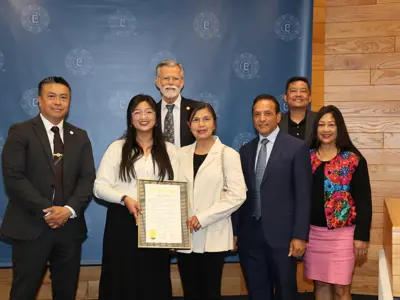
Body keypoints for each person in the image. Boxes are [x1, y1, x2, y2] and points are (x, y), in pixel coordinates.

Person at [0, 76, 96, 300]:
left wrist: (68, 210)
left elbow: (88, 178)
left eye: (64, 97)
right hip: (31, 227)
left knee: (66, 292)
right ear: (39, 101)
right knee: (23, 291)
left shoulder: (80, 136)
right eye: (51, 96)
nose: (58, 102)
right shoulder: (20, 132)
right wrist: (50, 210)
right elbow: (13, 177)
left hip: (69, 229)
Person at [93, 94, 178, 300]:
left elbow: (175, 190)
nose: (143, 117)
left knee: (154, 280)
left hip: (157, 225)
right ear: (130, 119)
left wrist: (175, 232)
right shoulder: (117, 148)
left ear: (156, 118)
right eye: (137, 112)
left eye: (149, 112)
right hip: (123, 222)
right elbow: (99, 187)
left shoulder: (170, 150)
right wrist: (125, 198)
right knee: (122, 280)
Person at [233, 94, 312, 300]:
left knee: (286, 291)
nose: (262, 119)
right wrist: (235, 232)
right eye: (257, 114)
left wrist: (300, 236)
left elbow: (304, 196)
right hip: (250, 236)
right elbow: (239, 196)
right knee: (257, 292)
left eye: (267, 113)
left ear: (278, 117)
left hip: (283, 238)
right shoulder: (245, 151)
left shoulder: (297, 147)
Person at [176, 102, 246, 300]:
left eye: (206, 119)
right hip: (185, 236)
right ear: (189, 125)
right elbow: (172, 193)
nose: (201, 124)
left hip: (213, 234)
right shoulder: (180, 155)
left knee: (210, 292)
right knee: (190, 292)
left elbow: (238, 195)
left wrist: (203, 217)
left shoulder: (228, 155)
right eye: (196, 120)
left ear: (214, 124)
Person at [303, 105, 372, 300]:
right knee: (321, 283)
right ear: (315, 128)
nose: (326, 129)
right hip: (312, 233)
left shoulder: (353, 159)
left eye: (331, 125)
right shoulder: (305, 157)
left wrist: (362, 236)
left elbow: (364, 200)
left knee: (342, 289)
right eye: (321, 125)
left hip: (343, 235)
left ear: (339, 128)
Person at [155, 59, 198, 147]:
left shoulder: (196, 109)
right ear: (158, 82)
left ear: (182, 82)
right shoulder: (151, 111)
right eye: (166, 78)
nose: (170, 83)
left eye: (175, 79)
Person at [279, 76, 317, 143]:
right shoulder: (277, 121)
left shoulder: (318, 120)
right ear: (285, 97)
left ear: (310, 98)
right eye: (293, 91)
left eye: (303, 91)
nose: (298, 94)